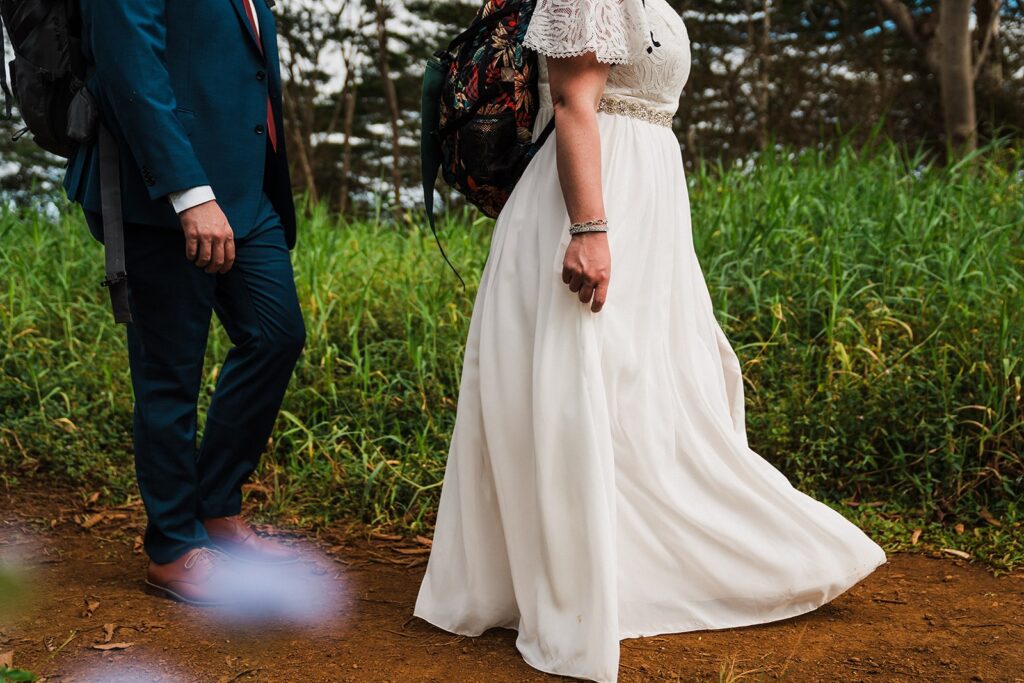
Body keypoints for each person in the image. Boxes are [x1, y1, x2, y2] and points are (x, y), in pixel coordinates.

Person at [414, 0, 887, 680]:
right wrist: (588, 232)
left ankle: (636, 567)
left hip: (646, 208)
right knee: (584, 390)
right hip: (591, 209)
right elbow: (575, 100)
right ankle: (577, 583)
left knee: (649, 394)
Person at [63, 0, 304, 605]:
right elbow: (129, 68)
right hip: (162, 193)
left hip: (247, 190)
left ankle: (217, 509)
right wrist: (188, 192)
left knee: (276, 335)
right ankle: (172, 548)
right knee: (170, 374)